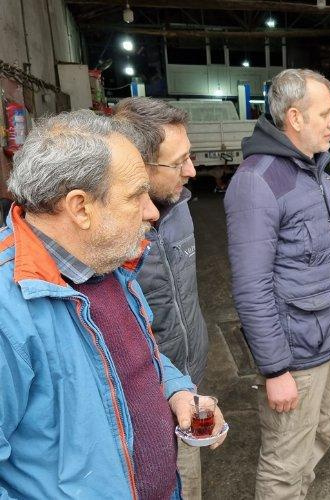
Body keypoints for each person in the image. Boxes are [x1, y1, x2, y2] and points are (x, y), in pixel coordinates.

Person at [0, 110, 226, 500]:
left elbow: (139, 357)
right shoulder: (9, 311)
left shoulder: (106, 262)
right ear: (80, 208)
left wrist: (176, 391)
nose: (152, 211)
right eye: (136, 196)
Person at [224, 68, 330, 499]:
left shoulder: (313, 170)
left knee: (322, 431)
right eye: (326, 113)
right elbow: (251, 287)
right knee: (285, 461)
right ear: (295, 118)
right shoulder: (257, 180)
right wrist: (275, 369)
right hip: (295, 354)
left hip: (327, 339)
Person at [114, 97, 210, 500]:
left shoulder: (179, 204)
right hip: (142, 401)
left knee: (189, 483)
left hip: (189, 379)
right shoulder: (110, 234)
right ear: (138, 165)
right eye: (179, 162)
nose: (192, 171)